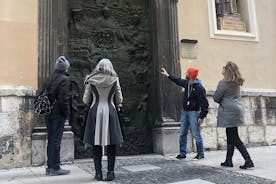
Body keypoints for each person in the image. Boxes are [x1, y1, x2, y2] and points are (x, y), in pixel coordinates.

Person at [83, 58, 123, 181]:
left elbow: (85, 100)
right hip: (110, 111)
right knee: (111, 143)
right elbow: (119, 99)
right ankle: (110, 172)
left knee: (96, 143)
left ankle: (98, 173)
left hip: (95, 111)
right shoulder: (115, 80)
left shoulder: (91, 80)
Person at [161, 67, 209, 160]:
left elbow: (205, 104)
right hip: (185, 112)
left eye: (187, 73)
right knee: (182, 133)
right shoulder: (187, 83)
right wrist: (168, 75)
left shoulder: (199, 88)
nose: (185, 74)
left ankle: (200, 154)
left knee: (196, 134)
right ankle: (182, 153)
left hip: (194, 113)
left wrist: (202, 116)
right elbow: (178, 81)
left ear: (191, 75)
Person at [213, 61, 254, 169]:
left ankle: (248, 160)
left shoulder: (223, 83)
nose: (222, 70)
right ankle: (228, 160)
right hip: (237, 109)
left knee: (234, 137)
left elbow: (216, 98)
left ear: (227, 70)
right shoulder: (236, 82)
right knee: (230, 135)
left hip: (228, 111)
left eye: (224, 68)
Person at [44, 56, 71, 176]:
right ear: (65, 68)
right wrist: (66, 113)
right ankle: (55, 167)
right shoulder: (64, 79)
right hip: (58, 113)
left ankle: (49, 167)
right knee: (56, 140)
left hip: (48, 113)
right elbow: (63, 99)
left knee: (50, 139)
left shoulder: (49, 78)